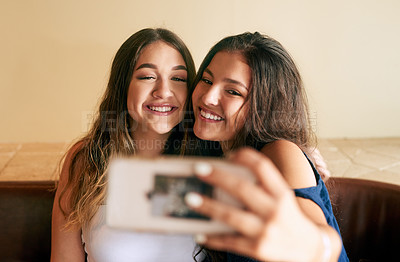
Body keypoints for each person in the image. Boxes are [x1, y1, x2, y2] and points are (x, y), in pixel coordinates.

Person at [183, 32, 348, 261]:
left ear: (264, 106)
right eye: (207, 80)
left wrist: (315, 248)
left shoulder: (281, 152)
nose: (208, 97)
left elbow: (312, 237)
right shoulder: (211, 149)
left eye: (233, 91)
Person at [51, 28, 198, 261]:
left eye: (178, 78)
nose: (164, 91)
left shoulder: (208, 160)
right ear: (123, 84)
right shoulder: (86, 160)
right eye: (148, 76)